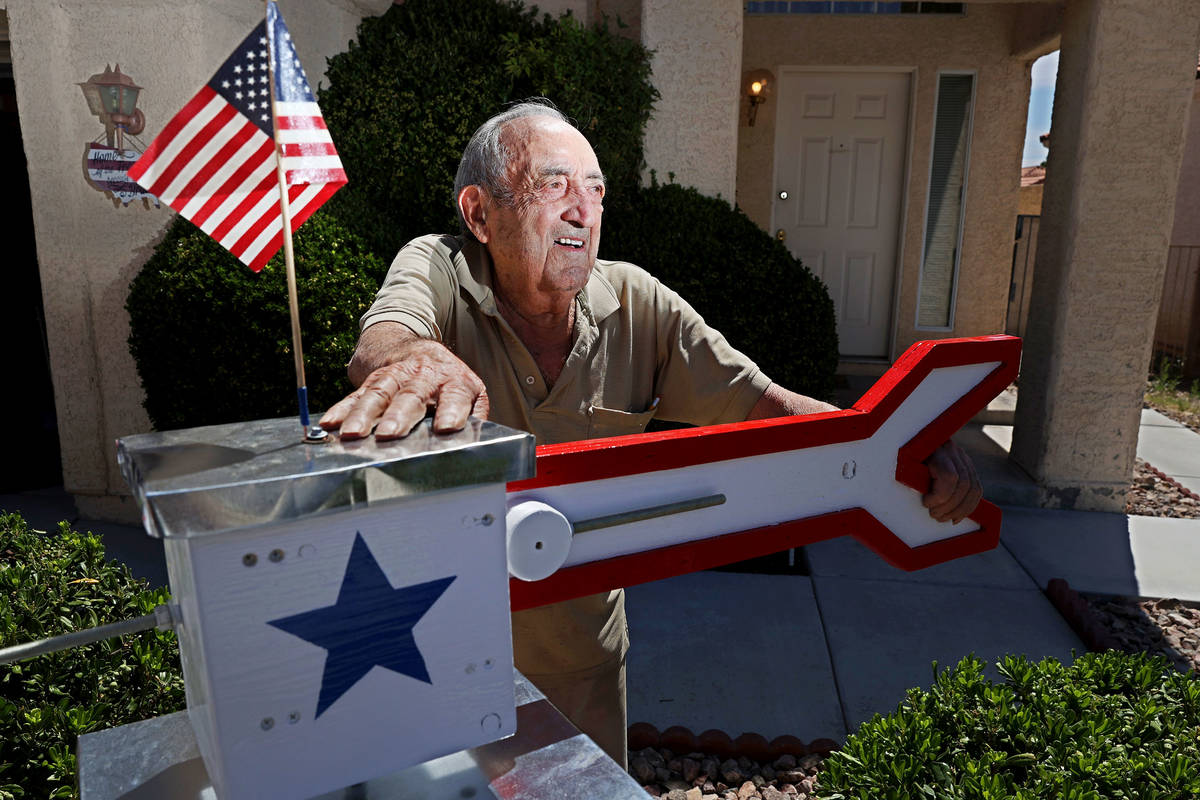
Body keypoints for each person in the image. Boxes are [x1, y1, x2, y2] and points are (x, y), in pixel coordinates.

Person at [319, 100, 982, 766]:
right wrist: (411, 357)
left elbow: (766, 408)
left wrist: (899, 444)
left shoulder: (639, 303)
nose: (583, 210)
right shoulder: (438, 265)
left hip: (585, 665)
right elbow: (388, 334)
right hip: (439, 661)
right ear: (480, 214)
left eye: (596, 190)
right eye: (555, 185)